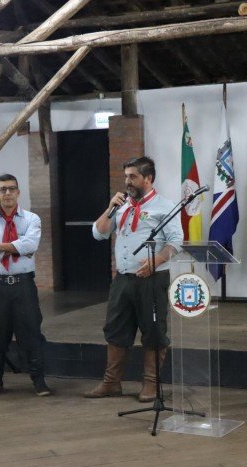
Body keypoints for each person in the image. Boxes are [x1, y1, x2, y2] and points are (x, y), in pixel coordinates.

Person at [84, 156, 183, 402]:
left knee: (153, 330)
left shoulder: (165, 206)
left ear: (148, 178)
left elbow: (176, 242)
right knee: (115, 329)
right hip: (123, 280)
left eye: (133, 176)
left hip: (152, 279)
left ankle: (151, 384)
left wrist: (156, 261)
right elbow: (98, 233)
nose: (127, 181)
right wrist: (110, 208)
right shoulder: (122, 206)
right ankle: (111, 383)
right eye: (126, 176)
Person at [0, 174, 51, 397]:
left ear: (18, 192)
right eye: (3, 189)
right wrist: (14, 247)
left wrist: (0, 246)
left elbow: (31, 245)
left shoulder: (31, 219)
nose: (7, 193)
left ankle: (39, 381)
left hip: (23, 286)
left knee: (30, 332)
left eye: (11, 189)